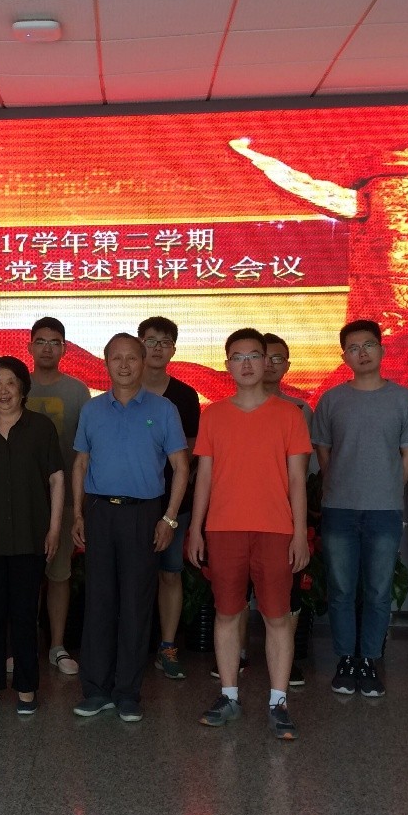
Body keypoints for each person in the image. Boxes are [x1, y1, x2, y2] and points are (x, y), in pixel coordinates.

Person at [188, 328, 311, 740]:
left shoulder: (289, 415)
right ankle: (229, 696)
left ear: (267, 362)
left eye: (254, 356)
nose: (246, 364)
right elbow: (204, 478)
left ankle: (278, 702)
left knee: (277, 616)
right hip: (223, 528)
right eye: (237, 357)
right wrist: (196, 529)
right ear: (227, 365)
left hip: (276, 529)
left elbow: (298, 481)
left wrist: (299, 534)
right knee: (227, 613)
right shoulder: (213, 415)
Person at [71, 333, 188, 723]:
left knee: (136, 604)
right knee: (99, 601)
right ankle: (96, 690)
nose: (124, 365)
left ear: (144, 361)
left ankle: (127, 692)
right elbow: (80, 463)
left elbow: (181, 467)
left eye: (131, 358)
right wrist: (78, 515)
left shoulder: (164, 409)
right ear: (105, 363)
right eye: (116, 358)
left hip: (144, 515)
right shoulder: (92, 410)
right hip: (100, 512)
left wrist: (169, 518)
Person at [311, 319, 408, 699]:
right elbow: (323, 450)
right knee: (341, 589)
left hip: (384, 511)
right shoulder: (332, 400)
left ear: (382, 349)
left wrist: (389, 488)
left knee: (378, 591)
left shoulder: (403, 399)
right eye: (353, 348)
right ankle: (346, 659)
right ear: (344, 356)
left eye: (368, 345)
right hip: (339, 508)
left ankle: (369, 660)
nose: (361, 353)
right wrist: (337, 483)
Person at [0, 357, 64, 716]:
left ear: (23, 387)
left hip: (29, 536)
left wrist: (54, 529)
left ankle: (26, 686)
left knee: (24, 615)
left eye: (11, 382)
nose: (3, 390)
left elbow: (56, 480)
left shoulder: (41, 428)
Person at [25, 316, 88, 676]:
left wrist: (79, 505)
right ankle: (26, 644)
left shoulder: (77, 391)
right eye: (41, 341)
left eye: (55, 342)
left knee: (60, 574)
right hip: (23, 499)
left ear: (64, 348)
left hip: (62, 500)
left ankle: (57, 645)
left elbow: (84, 453)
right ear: (30, 346)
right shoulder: (18, 384)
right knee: (27, 575)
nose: (47, 348)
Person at [138, 316, 200, 681]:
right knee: (133, 576)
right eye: (150, 341)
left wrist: (173, 510)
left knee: (170, 573)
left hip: (173, 502)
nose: (157, 348)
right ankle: (132, 646)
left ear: (173, 350)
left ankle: (167, 646)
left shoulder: (185, 396)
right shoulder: (125, 390)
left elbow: (188, 454)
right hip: (131, 502)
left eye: (165, 342)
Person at [262, 332, 316, 689]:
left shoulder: (299, 410)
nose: (268, 364)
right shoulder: (229, 409)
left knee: (288, 591)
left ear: (287, 366)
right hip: (240, 513)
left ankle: (288, 658)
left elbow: (303, 472)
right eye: (262, 356)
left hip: (285, 515)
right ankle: (238, 654)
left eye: (277, 358)